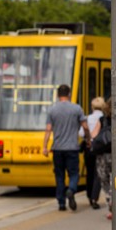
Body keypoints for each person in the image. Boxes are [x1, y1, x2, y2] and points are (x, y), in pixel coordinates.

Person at [42, 84, 90, 212]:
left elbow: (48, 130)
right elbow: (85, 127)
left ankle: (61, 203)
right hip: (72, 148)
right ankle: (71, 190)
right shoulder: (77, 108)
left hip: (57, 149)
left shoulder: (52, 110)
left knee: (59, 176)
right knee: (74, 174)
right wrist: (88, 140)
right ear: (69, 94)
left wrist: (44, 147)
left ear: (58, 95)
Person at [91, 99, 113, 219]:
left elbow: (94, 135)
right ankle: (115, 200)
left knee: (104, 180)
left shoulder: (102, 119)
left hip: (102, 155)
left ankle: (109, 201)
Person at [82, 97, 104, 209]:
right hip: (100, 148)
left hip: (88, 147)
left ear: (92, 106)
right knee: (98, 173)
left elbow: (81, 133)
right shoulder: (104, 118)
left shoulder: (88, 118)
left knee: (89, 172)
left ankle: (89, 195)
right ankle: (95, 198)